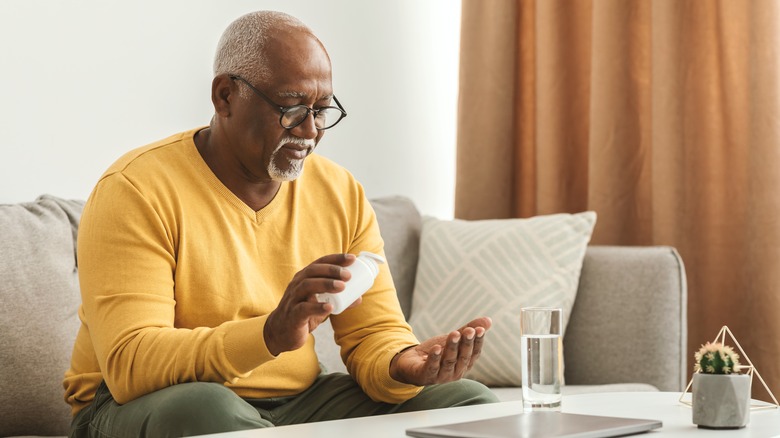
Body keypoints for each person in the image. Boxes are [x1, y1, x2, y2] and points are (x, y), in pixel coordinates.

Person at [63, 10, 497, 437]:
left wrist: (405, 363)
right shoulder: (136, 188)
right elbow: (131, 365)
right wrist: (269, 334)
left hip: (297, 401)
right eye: (291, 108)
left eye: (322, 110)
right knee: (205, 408)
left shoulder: (339, 191)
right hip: (141, 403)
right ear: (225, 96)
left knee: (467, 402)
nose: (309, 130)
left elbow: (373, 332)